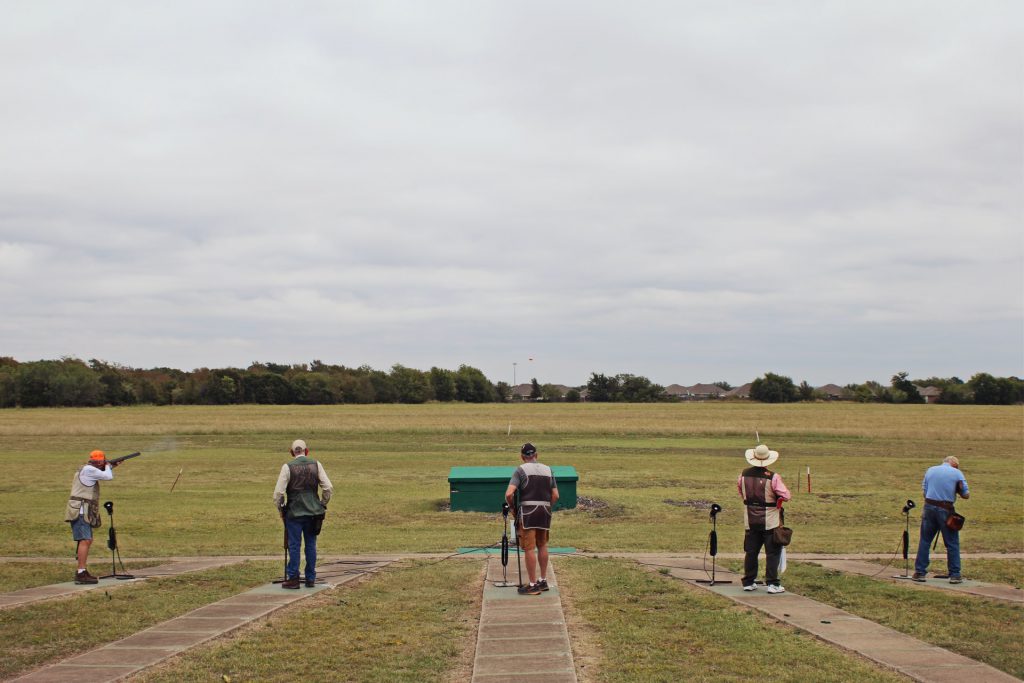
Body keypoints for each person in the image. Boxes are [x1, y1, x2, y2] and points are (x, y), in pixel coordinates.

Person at [273, 439, 334, 589]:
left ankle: (293, 578)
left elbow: (278, 494)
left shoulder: (287, 467)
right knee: (311, 545)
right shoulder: (316, 464)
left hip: (294, 513)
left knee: (294, 545)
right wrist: (322, 504)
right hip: (314, 513)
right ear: (307, 451)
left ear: (292, 452)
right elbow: (328, 488)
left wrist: (281, 509)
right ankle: (310, 578)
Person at [505, 442, 559, 595]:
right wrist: (547, 506)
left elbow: (509, 494)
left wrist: (513, 508)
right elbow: (555, 495)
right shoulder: (548, 470)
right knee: (542, 545)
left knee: (529, 548)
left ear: (522, 457)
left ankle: (533, 584)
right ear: (537, 455)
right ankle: (543, 581)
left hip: (528, 513)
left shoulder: (520, 470)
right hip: (545, 512)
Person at [737, 444, 792, 594]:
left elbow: (741, 493)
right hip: (770, 520)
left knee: (751, 551)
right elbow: (786, 496)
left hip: (750, 519)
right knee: (773, 552)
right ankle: (773, 583)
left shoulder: (743, 475)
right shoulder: (773, 477)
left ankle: (748, 581)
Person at [64, 450, 119, 584]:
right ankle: (81, 573)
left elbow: (104, 473)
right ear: (100, 461)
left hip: (83, 509)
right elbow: (108, 477)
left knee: (86, 540)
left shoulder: (88, 469)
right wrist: (108, 466)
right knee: (85, 540)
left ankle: (82, 571)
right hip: (81, 509)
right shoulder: (89, 469)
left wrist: (111, 466)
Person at [913, 456, 969, 584]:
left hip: (928, 507)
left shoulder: (930, 470)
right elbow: (966, 495)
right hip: (946, 509)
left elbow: (924, 492)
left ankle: (920, 572)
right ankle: (955, 574)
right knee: (952, 543)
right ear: (955, 465)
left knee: (925, 540)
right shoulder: (957, 473)